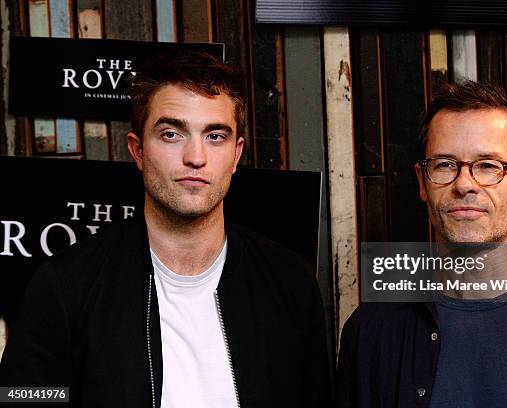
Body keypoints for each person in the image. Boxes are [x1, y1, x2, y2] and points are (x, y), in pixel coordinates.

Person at [0, 50, 332, 407]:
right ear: (138, 150)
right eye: (172, 134)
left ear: (236, 156)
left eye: (215, 136)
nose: (196, 157)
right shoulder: (64, 287)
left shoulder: (290, 284)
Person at [336, 81, 507, 407]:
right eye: (444, 165)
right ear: (423, 182)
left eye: (488, 165)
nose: (464, 184)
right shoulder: (372, 332)